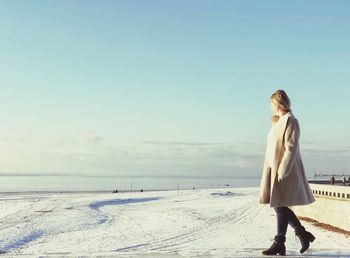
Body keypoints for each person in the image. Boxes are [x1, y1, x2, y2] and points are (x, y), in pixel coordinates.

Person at [259, 90, 316, 255]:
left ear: (279, 103)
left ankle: (287, 239)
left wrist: (283, 170)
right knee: (279, 205)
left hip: (285, 170)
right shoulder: (278, 122)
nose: (270, 108)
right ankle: (297, 236)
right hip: (273, 169)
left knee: (279, 205)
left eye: (272, 105)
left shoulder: (291, 121)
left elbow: (291, 149)